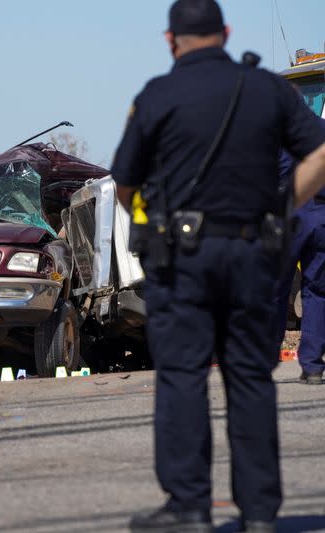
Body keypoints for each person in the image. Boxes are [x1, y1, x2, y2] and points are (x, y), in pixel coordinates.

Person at [110, 0, 325, 531]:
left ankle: (189, 506)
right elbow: (320, 153)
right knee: (251, 379)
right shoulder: (271, 89)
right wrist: (281, 207)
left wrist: (151, 218)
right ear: (226, 33)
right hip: (254, 253)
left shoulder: (157, 96)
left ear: (170, 40)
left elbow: (125, 182)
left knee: (183, 376)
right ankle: (258, 513)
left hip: (181, 259)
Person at [275, 119, 325, 385]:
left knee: (275, 289)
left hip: (287, 217)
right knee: (317, 292)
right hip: (320, 216)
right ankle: (313, 367)